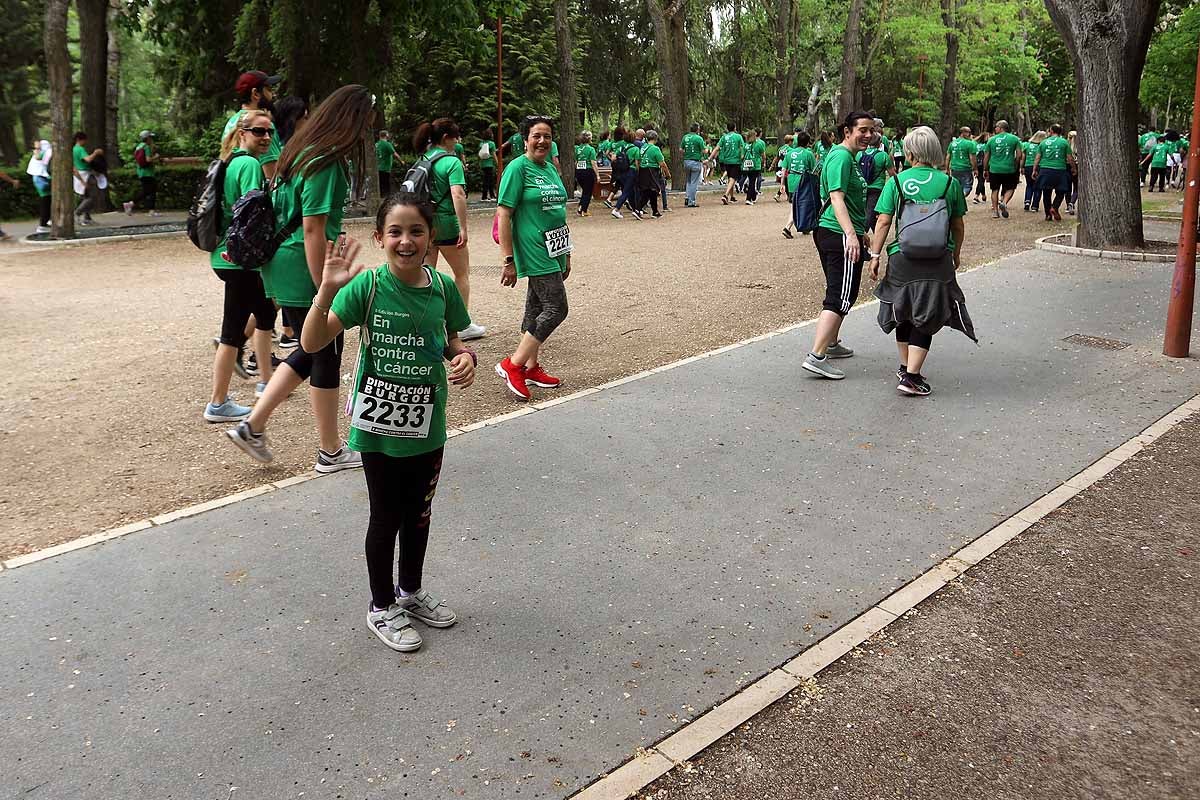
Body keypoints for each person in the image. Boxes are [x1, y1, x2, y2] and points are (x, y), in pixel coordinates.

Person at [300, 192, 475, 652]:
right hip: (378, 430)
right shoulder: (369, 287)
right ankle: (381, 607)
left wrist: (464, 359)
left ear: (430, 237)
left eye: (416, 231)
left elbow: (453, 341)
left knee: (419, 514)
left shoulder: (442, 288)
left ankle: (410, 592)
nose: (405, 240)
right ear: (380, 238)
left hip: (427, 425)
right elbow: (313, 340)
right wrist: (327, 288)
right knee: (386, 516)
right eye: (395, 231)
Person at [225, 83, 374, 472]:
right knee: (325, 351)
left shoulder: (301, 150)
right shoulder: (326, 159)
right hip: (305, 265)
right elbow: (312, 227)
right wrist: (324, 287)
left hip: (282, 262)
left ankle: (253, 425)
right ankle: (330, 450)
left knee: (309, 351)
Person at [867, 125, 977, 397]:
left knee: (903, 309)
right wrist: (956, 253)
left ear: (910, 151)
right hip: (937, 259)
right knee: (927, 314)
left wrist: (875, 255)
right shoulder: (949, 183)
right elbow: (958, 225)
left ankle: (906, 366)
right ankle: (912, 377)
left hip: (902, 258)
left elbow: (883, 221)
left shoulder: (896, 182)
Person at [204, 109, 278, 422]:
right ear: (242, 133)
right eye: (259, 131)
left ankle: (266, 381)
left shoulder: (228, 161)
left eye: (270, 131)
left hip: (226, 254)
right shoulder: (248, 163)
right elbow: (252, 213)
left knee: (265, 313)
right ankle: (217, 403)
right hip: (238, 260)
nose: (266, 137)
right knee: (232, 333)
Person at [494, 115, 571, 401]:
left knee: (536, 308)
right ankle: (512, 365)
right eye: (536, 135)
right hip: (533, 248)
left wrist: (566, 253)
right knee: (556, 308)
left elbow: (557, 212)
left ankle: (530, 366)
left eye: (547, 136)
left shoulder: (550, 168)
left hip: (554, 249)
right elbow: (504, 214)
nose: (542, 141)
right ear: (525, 139)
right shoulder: (518, 168)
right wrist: (508, 259)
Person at [801, 111, 874, 380]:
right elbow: (836, 198)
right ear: (847, 131)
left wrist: (860, 231)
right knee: (840, 295)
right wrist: (851, 235)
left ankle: (831, 343)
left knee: (842, 290)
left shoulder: (847, 157)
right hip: (836, 233)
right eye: (862, 130)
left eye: (871, 130)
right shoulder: (842, 157)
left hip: (837, 231)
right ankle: (816, 355)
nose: (868, 135)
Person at [413, 117, 487, 342]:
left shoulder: (423, 158)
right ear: (446, 138)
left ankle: (423, 321)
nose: (457, 142)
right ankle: (461, 324)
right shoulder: (451, 162)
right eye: (456, 137)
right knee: (462, 273)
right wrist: (463, 227)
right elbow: (457, 194)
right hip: (445, 223)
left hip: (423, 223)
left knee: (426, 274)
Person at [224, 71, 283, 179]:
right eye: (269, 90)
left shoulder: (233, 121)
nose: (273, 95)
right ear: (255, 93)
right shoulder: (262, 125)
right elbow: (272, 177)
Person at [1032, 123, 1076, 220]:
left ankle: (1048, 214)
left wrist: (1034, 169)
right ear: (1060, 132)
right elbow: (1070, 157)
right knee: (1061, 191)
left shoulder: (1043, 142)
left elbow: (1037, 157)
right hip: (1060, 170)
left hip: (1045, 170)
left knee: (1046, 192)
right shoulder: (1064, 142)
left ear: (1051, 131)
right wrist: (1073, 168)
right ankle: (1055, 207)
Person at [781, 131, 819, 238]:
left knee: (798, 204)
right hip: (803, 182)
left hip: (791, 181)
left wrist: (782, 184)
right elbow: (814, 170)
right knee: (799, 205)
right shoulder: (808, 153)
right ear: (807, 142)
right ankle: (787, 227)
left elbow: (784, 169)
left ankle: (805, 228)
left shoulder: (790, 153)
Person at [983, 120, 1022, 219]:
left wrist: (985, 169)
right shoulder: (1015, 139)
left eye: (996, 127)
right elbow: (1019, 155)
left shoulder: (991, 140)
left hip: (994, 169)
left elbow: (986, 156)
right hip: (1009, 168)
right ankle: (1004, 202)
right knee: (1010, 188)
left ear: (1001, 128)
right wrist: (1016, 164)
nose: (995, 129)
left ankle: (995, 212)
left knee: (994, 190)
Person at [862, 128, 895, 233]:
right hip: (877, 188)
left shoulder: (860, 154)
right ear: (879, 142)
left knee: (867, 212)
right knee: (871, 213)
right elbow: (892, 174)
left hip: (863, 187)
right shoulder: (883, 155)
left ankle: (876, 232)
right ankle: (862, 235)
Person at [71, 131, 103, 226]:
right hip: (85, 174)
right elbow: (88, 159)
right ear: (79, 140)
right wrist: (95, 153)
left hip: (78, 174)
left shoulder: (72, 149)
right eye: (83, 140)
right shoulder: (80, 149)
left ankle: (87, 217)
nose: (85, 142)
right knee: (92, 197)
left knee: (85, 196)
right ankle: (78, 212)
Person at [127, 130, 161, 216]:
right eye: (151, 137)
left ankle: (151, 210)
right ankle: (131, 204)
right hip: (148, 173)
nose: (152, 139)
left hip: (141, 172)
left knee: (150, 190)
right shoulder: (146, 147)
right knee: (148, 191)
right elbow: (148, 159)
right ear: (147, 138)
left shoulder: (139, 147)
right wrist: (156, 157)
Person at [611, 127, 643, 220]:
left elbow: (613, 158)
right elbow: (637, 163)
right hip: (631, 171)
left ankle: (635, 209)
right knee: (626, 192)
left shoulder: (621, 147)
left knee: (629, 192)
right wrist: (638, 172)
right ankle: (616, 209)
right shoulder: (635, 149)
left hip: (621, 172)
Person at [635, 130, 666, 218]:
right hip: (652, 171)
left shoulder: (643, 147)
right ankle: (638, 208)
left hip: (643, 170)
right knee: (650, 191)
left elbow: (638, 160)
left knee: (651, 191)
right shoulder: (655, 149)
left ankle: (655, 211)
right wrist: (667, 173)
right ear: (655, 138)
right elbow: (662, 163)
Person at [713, 122, 746, 205]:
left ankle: (732, 197)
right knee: (733, 178)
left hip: (726, 160)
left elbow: (717, 148)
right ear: (734, 128)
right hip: (736, 160)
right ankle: (725, 195)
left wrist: (710, 157)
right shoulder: (738, 136)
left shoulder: (724, 137)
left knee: (730, 178)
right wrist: (742, 155)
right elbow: (742, 146)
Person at [27, 139, 52, 234]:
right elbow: (38, 157)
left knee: (48, 200)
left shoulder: (44, 153)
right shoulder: (43, 153)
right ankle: (42, 225)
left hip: (41, 179)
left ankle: (48, 220)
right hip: (40, 180)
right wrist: (38, 148)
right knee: (45, 201)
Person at [574, 130, 600, 216]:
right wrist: (597, 175)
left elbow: (576, 161)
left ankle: (581, 207)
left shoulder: (577, 148)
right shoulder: (591, 149)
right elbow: (593, 163)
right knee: (588, 192)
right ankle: (583, 209)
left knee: (585, 191)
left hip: (579, 171)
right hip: (588, 171)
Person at [945, 127, 976, 198]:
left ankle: (956, 199)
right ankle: (961, 198)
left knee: (956, 186)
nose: (969, 134)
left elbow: (948, 157)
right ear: (963, 133)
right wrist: (975, 169)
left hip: (954, 169)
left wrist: (947, 169)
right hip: (966, 169)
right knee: (967, 187)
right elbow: (972, 158)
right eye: (968, 132)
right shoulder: (969, 144)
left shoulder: (952, 143)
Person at [681, 123, 707, 207]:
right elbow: (704, 151)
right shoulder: (699, 138)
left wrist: (687, 152)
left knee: (688, 181)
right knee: (694, 182)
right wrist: (707, 150)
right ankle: (691, 201)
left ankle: (687, 197)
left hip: (686, 161)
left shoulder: (685, 137)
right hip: (695, 162)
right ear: (697, 130)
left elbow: (681, 149)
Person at [1021, 131, 1044, 212]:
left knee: (1029, 185)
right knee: (1038, 187)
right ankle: (1035, 205)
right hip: (1039, 166)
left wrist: (1022, 167)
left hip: (1028, 166)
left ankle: (1027, 202)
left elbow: (1023, 158)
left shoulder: (1026, 145)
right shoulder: (1041, 145)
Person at [743, 129, 766, 205]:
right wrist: (763, 162)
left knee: (751, 180)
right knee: (752, 182)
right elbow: (763, 155)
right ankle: (748, 198)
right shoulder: (759, 144)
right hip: (755, 165)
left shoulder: (745, 145)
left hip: (747, 164)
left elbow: (742, 155)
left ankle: (753, 197)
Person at [478, 126, 497, 201]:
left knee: (485, 180)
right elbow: (494, 154)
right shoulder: (491, 144)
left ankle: (486, 195)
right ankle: (489, 196)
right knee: (490, 180)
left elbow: (479, 154)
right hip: (489, 164)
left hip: (483, 164)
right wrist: (497, 163)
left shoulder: (481, 143)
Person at [375, 130, 396, 198]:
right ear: (386, 135)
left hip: (378, 167)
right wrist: (401, 161)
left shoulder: (376, 144)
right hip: (385, 168)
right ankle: (387, 198)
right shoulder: (387, 144)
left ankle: (381, 197)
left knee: (380, 184)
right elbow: (394, 153)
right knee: (386, 184)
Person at [972, 133, 989, 204]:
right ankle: (976, 196)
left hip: (976, 164)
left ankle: (983, 195)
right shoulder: (985, 145)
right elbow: (986, 156)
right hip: (983, 164)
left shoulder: (975, 144)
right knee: (981, 180)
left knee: (980, 180)